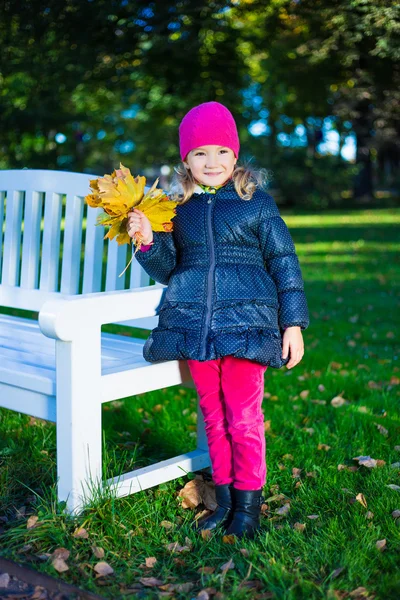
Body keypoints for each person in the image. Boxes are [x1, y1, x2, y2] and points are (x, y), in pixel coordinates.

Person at [127, 101, 309, 540]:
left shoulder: (254, 204)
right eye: (200, 153)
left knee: (243, 417)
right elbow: (170, 269)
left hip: (248, 323)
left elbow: (284, 262)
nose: (212, 162)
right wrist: (149, 242)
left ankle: (248, 507)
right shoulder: (175, 210)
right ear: (185, 160)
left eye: (222, 152)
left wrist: (293, 323)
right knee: (213, 415)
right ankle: (224, 499)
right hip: (195, 325)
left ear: (235, 155)